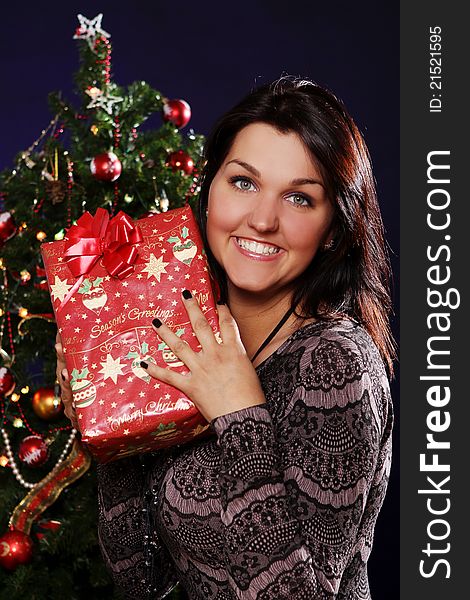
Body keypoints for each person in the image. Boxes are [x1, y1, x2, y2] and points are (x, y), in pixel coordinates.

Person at [56, 76, 395, 599]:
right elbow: (144, 582)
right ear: (210, 187)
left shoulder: (335, 365)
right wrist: (113, 434)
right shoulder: (192, 336)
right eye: (243, 182)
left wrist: (240, 416)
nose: (262, 219)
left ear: (334, 228)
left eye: (299, 199)